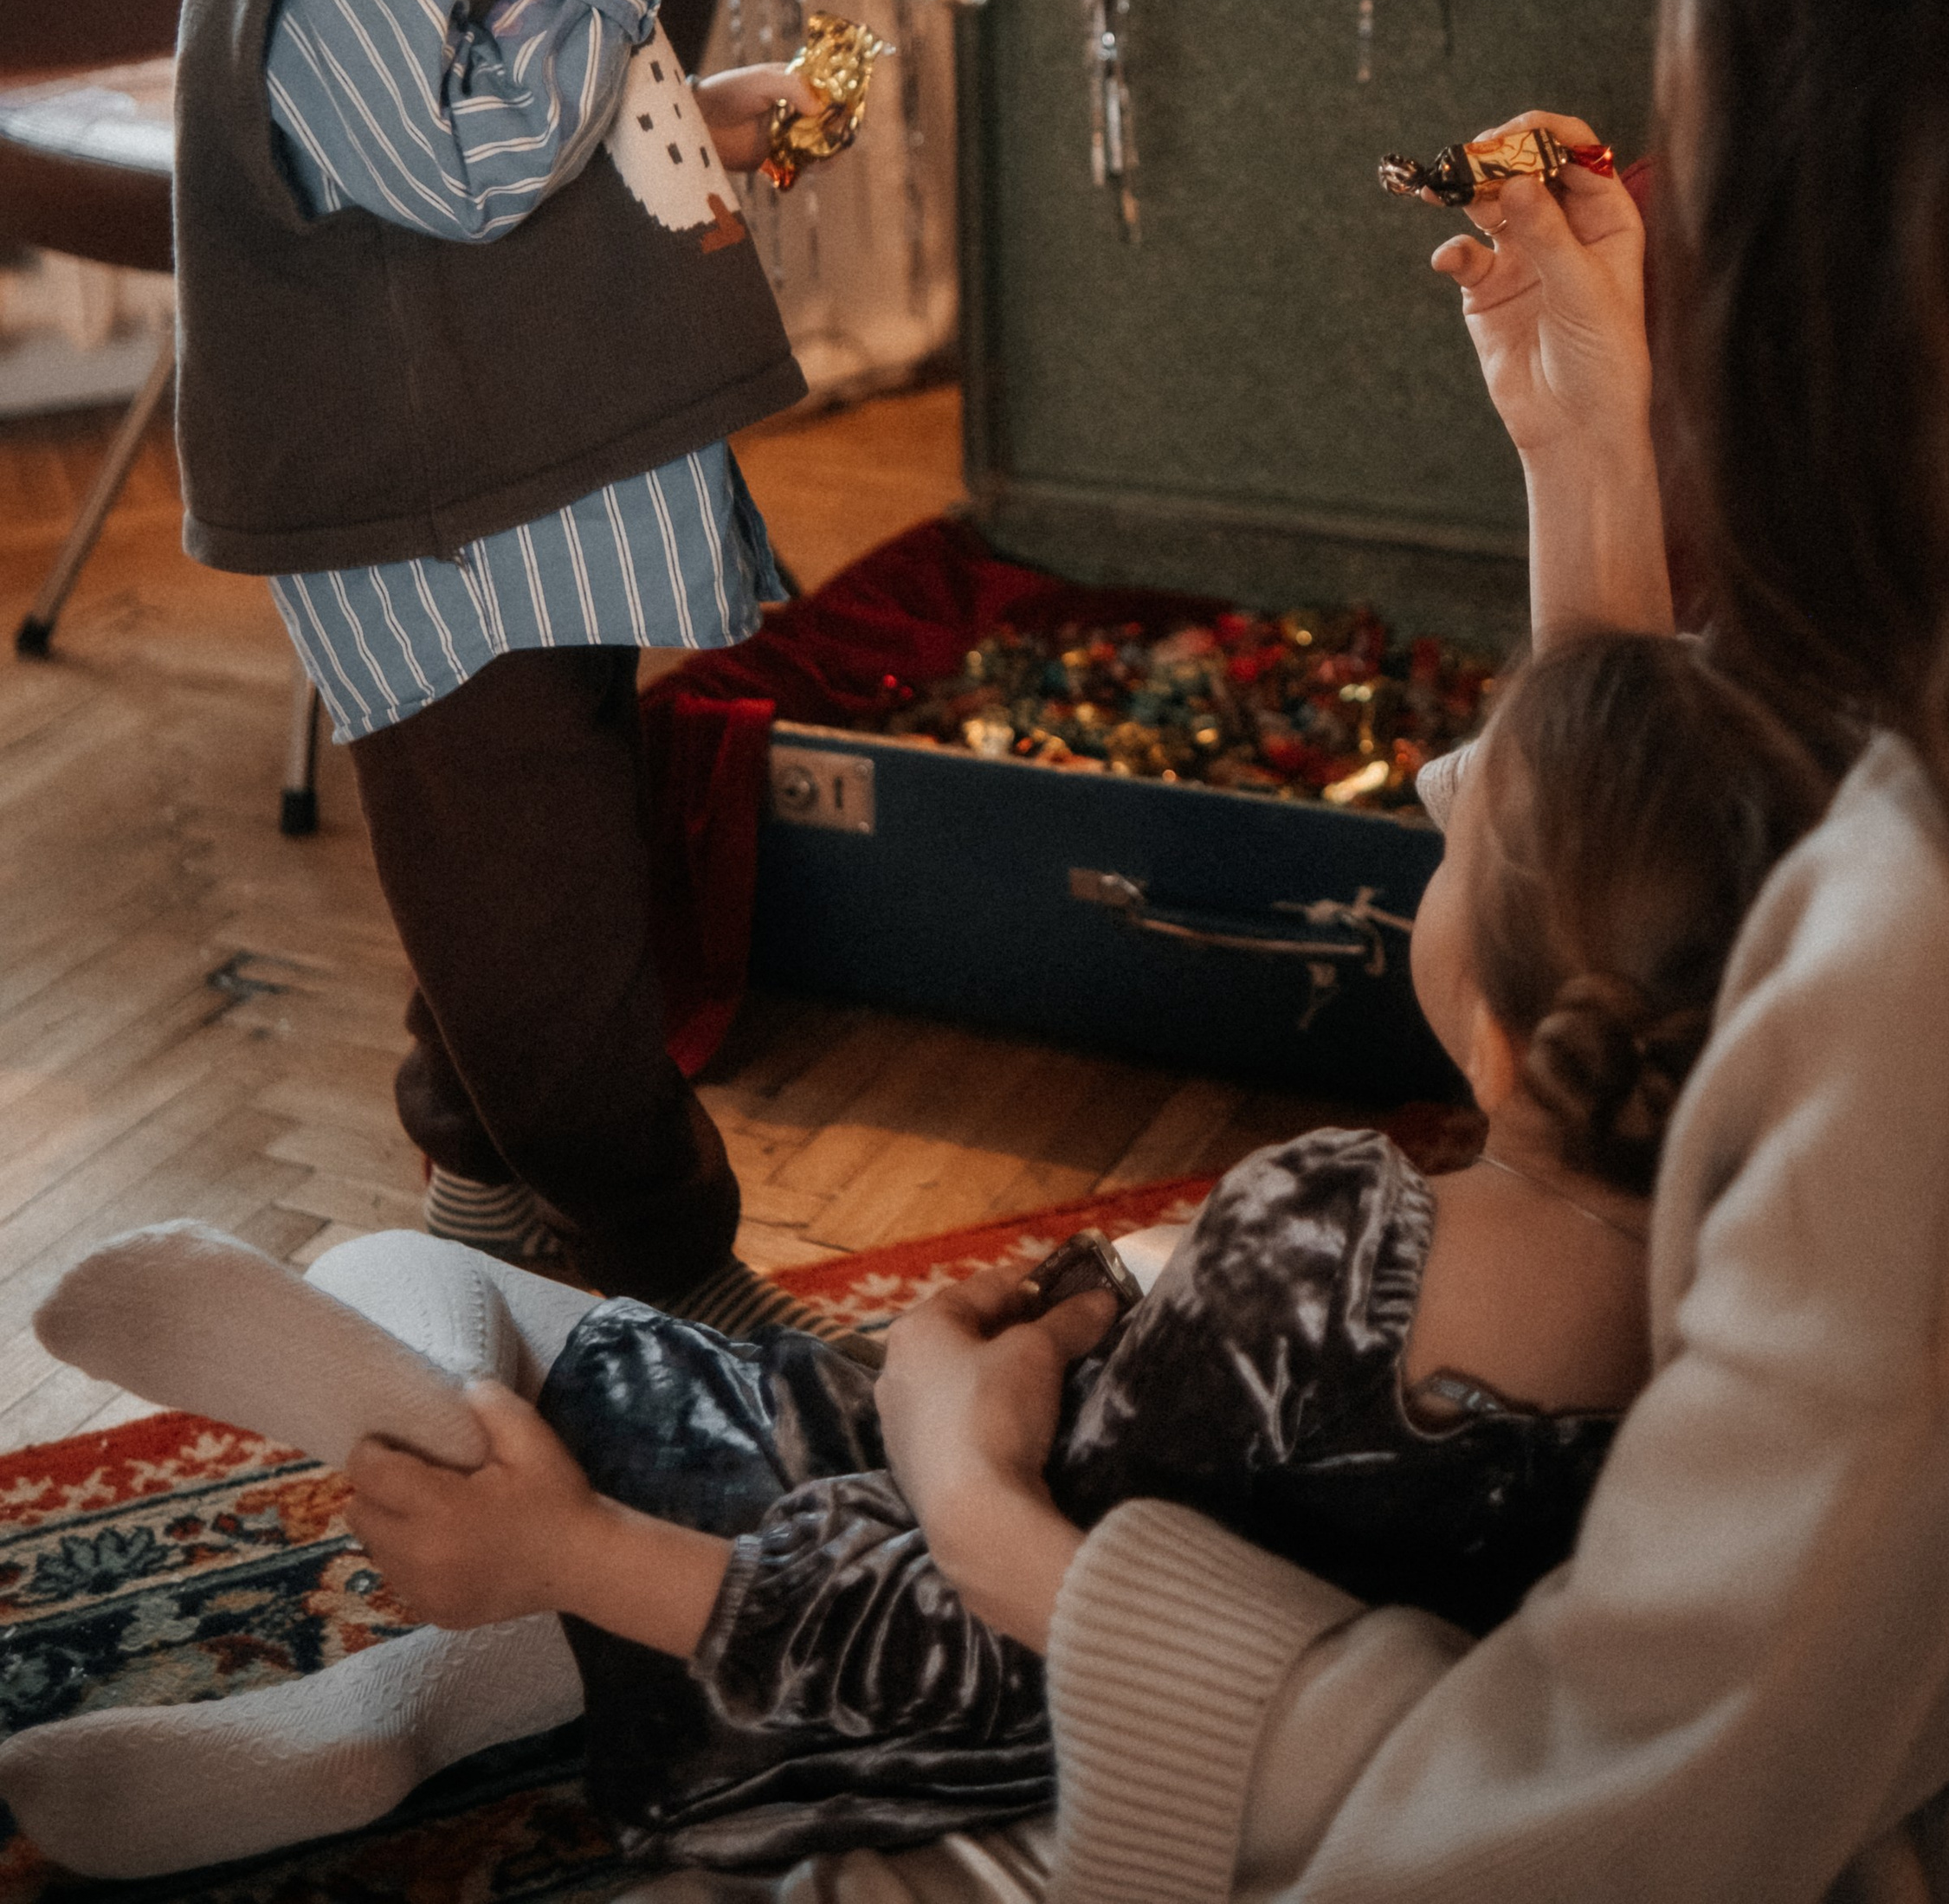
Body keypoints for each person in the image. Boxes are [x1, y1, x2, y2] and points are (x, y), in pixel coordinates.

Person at [859, 0, 1949, 1902]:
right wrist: (1597, 471)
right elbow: (1674, 913)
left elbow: (1601, 1806)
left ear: (1840, 197)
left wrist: (991, 1527)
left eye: (1708, 82)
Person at [2, 631, 1817, 1881]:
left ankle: (418, 1562)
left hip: (855, 1630)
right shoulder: (1716, 1331)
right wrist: (1099, 1315)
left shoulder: (1334, 1229)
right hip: (1147, 1713)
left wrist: (585, 1544)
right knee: (605, 1454)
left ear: (1492, 1031)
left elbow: (984, 1619)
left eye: (1449, 845)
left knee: (400, 1274)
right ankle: (407, 1694)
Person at [170, 0, 836, 1340]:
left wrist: (682, 107)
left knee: (547, 858)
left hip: (527, 479)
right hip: (430, 516)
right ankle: (677, 1275)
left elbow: (534, 126)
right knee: (546, 930)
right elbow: (452, 171)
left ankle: (477, 1173)